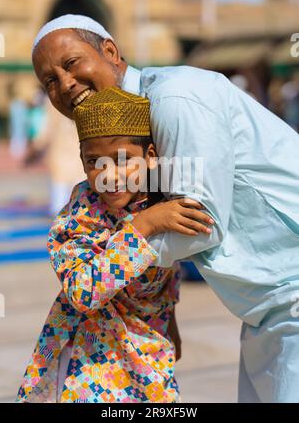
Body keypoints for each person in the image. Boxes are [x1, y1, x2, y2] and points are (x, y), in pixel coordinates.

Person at [31, 15, 299, 403]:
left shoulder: (173, 100)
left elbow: (199, 221)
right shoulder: (118, 157)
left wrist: (140, 229)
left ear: (110, 51)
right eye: (49, 80)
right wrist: (161, 310)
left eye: (70, 64)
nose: (65, 84)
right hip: (266, 310)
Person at [16, 87, 213, 403]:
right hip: (91, 360)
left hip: (148, 350)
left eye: (123, 160)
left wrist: (170, 319)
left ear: (149, 158)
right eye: (95, 161)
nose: (110, 174)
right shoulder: (81, 214)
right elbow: (83, 292)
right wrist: (144, 227)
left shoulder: (160, 197)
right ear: (82, 161)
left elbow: (169, 264)